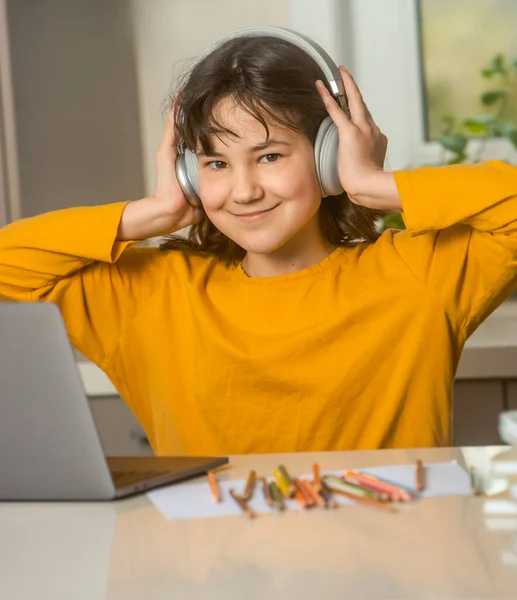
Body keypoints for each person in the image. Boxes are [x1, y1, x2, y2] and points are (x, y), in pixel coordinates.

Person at [1, 32, 516, 457]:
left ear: (327, 156)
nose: (244, 190)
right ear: (188, 173)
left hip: (387, 576)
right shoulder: (152, 295)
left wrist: (374, 184)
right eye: (216, 164)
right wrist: (155, 213)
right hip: (212, 579)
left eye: (269, 156)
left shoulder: (418, 273)